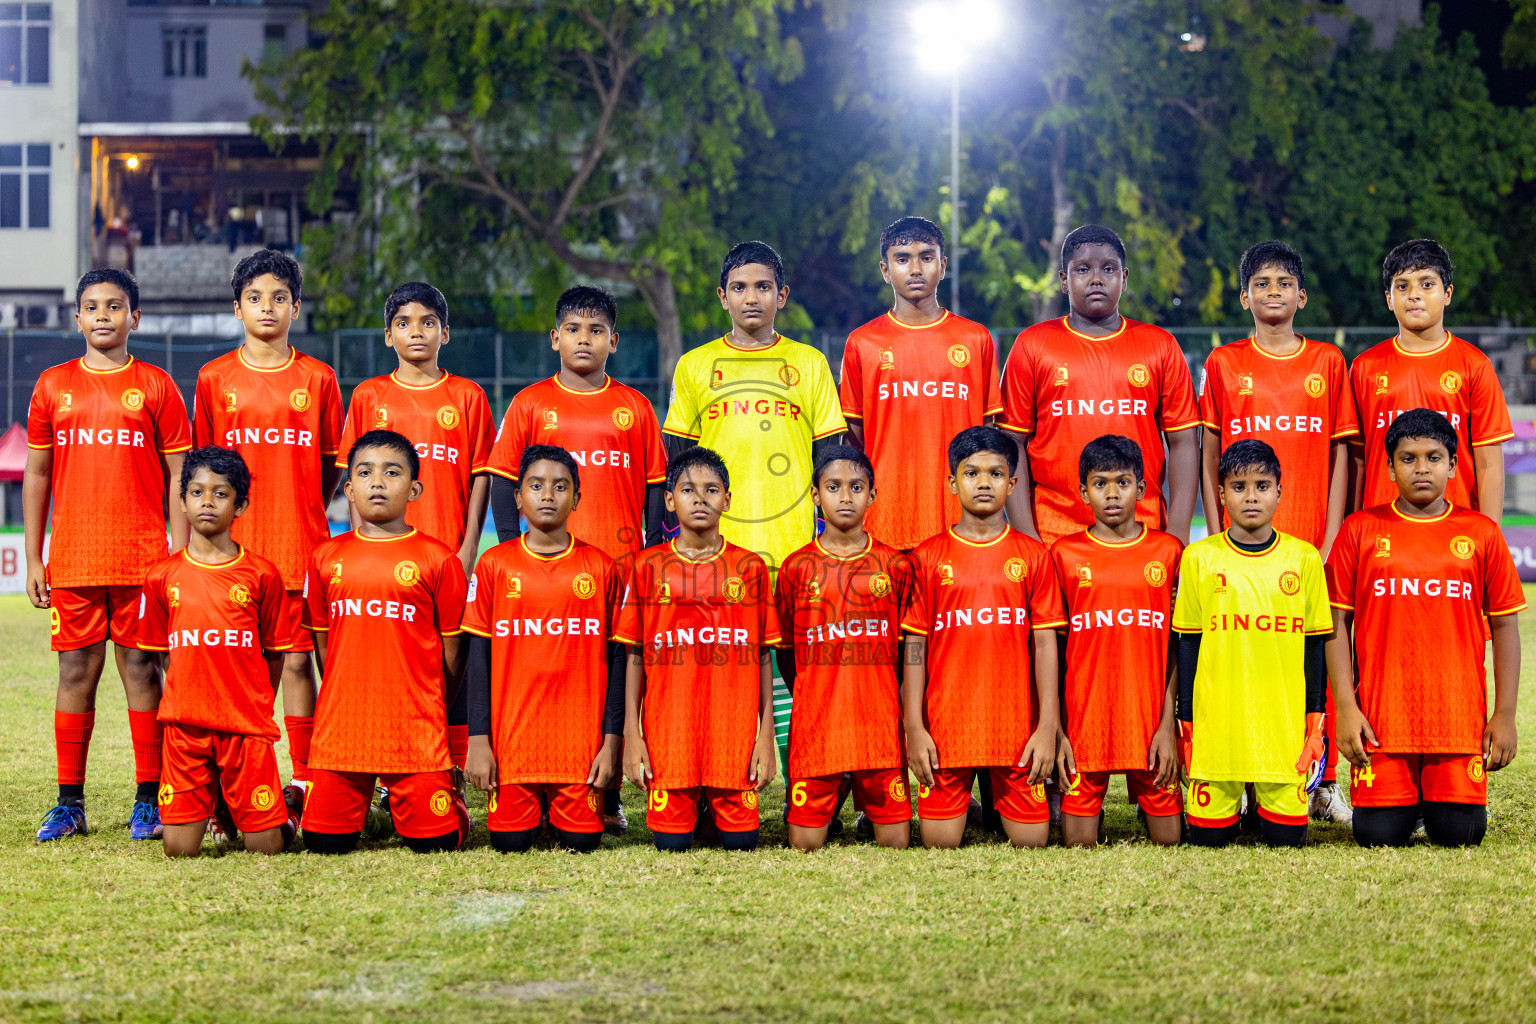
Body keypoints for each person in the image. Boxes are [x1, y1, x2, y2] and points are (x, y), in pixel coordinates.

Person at [485, 284, 666, 832]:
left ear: (614, 341)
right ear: (554, 338)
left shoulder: (634, 407)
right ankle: (533, 784)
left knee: (612, 678)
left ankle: (603, 797)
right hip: (541, 573)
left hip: (617, 570)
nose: (583, 339)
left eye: (595, 331)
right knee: (546, 678)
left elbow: (657, 489)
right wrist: (511, 548)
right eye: (572, 329)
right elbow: (500, 481)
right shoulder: (530, 403)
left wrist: (653, 555)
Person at [26, 268, 192, 842]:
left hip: (143, 560)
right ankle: (69, 802)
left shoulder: (156, 385)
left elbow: (179, 476)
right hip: (74, 557)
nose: (102, 315)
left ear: (134, 318)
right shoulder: (52, 385)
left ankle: (150, 797)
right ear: (77, 318)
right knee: (76, 671)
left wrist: (180, 554)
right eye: (92, 306)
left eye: (114, 306)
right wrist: (33, 556)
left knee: (142, 670)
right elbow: (39, 473)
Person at [1197, 240, 1358, 824]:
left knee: (1319, 654)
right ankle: (1241, 775)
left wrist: (1333, 533)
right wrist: (1217, 539)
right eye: (1261, 283)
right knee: (1239, 657)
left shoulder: (1328, 364)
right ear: (1244, 297)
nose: (1272, 292)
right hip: (1238, 548)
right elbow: (1211, 448)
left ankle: (1321, 782)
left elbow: (1343, 453)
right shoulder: (1223, 363)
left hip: (1311, 540)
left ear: (1301, 295)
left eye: (1283, 283)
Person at [1325, 409, 1523, 848]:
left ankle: (1429, 796)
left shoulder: (1482, 533)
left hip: (1455, 722)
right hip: (1382, 721)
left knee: (1462, 833)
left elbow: (1507, 626)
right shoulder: (1360, 530)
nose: (1421, 468)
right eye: (1408, 458)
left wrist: (1505, 714)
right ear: (1390, 467)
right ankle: (1407, 798)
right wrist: (1346, 707)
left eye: (1434, 457)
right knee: (1377, 836)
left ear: (1453, 465)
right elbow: (1336, 623)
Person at [193, 248, 344, 804]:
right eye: (255, 298)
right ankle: (235, 783)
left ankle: (303, 782)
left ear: (296, 307)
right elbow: (204, 472)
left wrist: (302, 505)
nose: (267, 307)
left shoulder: (319, 378)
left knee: (300, 661)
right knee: (242, 671)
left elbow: (331, 465)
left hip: (301, 546)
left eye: (279, 297)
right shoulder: (214, 379)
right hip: (236, 553)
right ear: (237, 308)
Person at [336, 281, 495, 773]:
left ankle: (448, 768)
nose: (416, 332)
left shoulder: (466, 396)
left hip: (448, 557)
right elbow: (357, 476)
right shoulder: (369, 395)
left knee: (452, 665)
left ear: (445, 333)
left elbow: (480, 478)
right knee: (387, 662)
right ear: (388, 336)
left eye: (428, 322)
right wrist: (367, 550)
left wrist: (466, 551)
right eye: (403, 323)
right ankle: (384, 766)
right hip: (381, 559)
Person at [299, 430, 471, 854]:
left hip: (415, 731)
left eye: (391, 472)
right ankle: (376, 812)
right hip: (343, 731)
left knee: (439, 845)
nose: (377, 481)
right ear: (349, 489)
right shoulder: (324, 558)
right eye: (365, 472)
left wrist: (428, 705)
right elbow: (324, 645)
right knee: (323, 844)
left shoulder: (439, 559)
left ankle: (450, 796)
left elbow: (454, 653)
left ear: (414, 489)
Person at [900, 426, 1066, 850]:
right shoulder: (927, 556)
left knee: (1033, 842)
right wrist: (915, 727)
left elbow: (1046, 645)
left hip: (1015, 731)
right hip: (945, 733)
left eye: (996, 474)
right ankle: (969, 801)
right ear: (953, 483)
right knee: (939, 843)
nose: (984, 483)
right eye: (972, 473)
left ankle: (994, 798)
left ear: (1012, 484)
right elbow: (914, 650)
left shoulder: (1032, 555)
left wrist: (1048, 724)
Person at [461, 445, 625, 854]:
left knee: (582, 842)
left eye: (560, 486)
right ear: (518, 496)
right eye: (535, 486)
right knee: (510, 843)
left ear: (578, 498)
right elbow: (477, 661)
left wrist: (611, 741)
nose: (547, 495)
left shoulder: (601, 567)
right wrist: (478, 741)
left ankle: (559, 803)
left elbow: (619, 663)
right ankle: (535, 801)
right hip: (513, 743)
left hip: (580, 747)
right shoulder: (494, 565)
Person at [617, 447, 780, 852]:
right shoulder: (647, 566)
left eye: (711, 490)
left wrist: (766, 739)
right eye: (688, 490)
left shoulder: (750, 568)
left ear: (728, 499)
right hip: (671, 738)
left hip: (734, 739)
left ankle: (713, 801)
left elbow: (762, 656)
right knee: (671, 845)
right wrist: (632, 737)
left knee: (742, 843)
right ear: (670, 500)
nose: (700, 498)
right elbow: (634, 655)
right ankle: (694, 802)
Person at [138, 446, 297, 857]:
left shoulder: (262, 574)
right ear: (182, 499)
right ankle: (217, 800)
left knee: (267, 850)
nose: (207, 501)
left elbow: (274, 653)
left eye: (221, 493)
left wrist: (258, 706)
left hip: (245, 727)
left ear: (241, 504)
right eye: (197, 491)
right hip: (185, 729)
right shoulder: (162, 577)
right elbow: (164, 655)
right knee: (178, 850)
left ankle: (286, 814)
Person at [1173, 439, 1332, 848]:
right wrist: (1186, 721)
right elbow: (1187, 644)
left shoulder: (1304, 559)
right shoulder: (1199, 558)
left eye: (1262, 486)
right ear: (1222, 494)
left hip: (1281, 730)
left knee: (1287, 838)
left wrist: (1315, 717)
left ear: (1280, 492)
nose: (1251, 496)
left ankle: (1263, 798)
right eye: (1239, 487)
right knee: (1208, 840)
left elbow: (1315, 647)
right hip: (1216, 732)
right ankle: (1236, 801)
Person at [999, 224, 1200, 548]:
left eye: (1108, 268)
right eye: (1082, 269)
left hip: (1143, 535)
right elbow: (1011, 444)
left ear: (1124, 277)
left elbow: (1184, 443)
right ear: (1064, 280)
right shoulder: (1032, 345)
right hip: (1053, 538)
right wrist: (1026, 538)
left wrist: (1176, 535)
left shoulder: (1159, 345)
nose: (1096, 278)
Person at [661, 241, 845, 573]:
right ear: (723, 297)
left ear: (781, 295)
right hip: (714, 548)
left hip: (795, 544)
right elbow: (678, 460)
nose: (750, 298)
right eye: (739, 287)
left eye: (763, 287)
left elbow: (830, 460)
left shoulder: (811, 363)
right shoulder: (693, 365)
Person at [775, 445, 913, 851]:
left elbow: (909, 652)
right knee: (805, 845)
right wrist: (813, 687)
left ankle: (870, 806)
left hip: (880, 729)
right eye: (833, 487)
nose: (846, 497)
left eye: (856, 487)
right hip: (819, 728)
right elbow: (787, 652)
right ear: (816, 495)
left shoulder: (895, 565)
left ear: (872, 495)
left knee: (897, 844)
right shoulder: (796, 566)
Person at [838, 216, 1003, 550]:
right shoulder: (863, 342)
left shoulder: (975, 338)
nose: (915, 268)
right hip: (885, 521)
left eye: (926, 257)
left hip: (963, 522)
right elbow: (855, 439)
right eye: (902, 259)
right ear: (885, 270)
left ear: (942, 266)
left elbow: (988, 434)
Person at [1050, 435, 1183, 847]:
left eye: (1123, 483)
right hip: (1087, 723)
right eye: (1100, 483)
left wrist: (1168, 726)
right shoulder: (1064, 554)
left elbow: (1177, 647)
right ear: (1083, 490)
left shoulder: (1167, 551)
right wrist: (1059, 727)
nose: (1112, 493)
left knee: (1169, 841)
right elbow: (1052, 649)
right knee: (1077, 843)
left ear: (1141, 490)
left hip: (1150, 726)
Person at [1349, 239, 1512, 518]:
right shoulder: (1365, 367)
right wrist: (1350, 530)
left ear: (1447, 293)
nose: (1414, 295)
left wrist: (1489, 539)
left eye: (1426, 284)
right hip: (1382, 530)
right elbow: (1357, 463)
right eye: (1402, 286)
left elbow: (1489, 466)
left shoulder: (1474, 365)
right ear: (1389, 299)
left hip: (1456, 533)